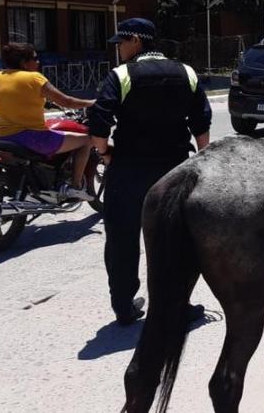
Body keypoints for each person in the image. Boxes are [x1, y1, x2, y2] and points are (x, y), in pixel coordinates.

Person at [88, 18, 212, 325]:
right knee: (175, 240)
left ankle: (123, 306)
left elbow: (99, 120)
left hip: (129, 171)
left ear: (137, 41)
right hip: (174, 170)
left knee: (122, 239)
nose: (118, 48)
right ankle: (177, 305)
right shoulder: (187, 72)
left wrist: (104, 153)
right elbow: (201, 121)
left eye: (122, 42)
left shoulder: (121, 75)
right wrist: (203, 159)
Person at [0, 43, 96, 201]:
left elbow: (15, 98)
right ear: (23, 62)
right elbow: (66, 101)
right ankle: (74, 187)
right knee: (87, 140)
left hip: (2, 138)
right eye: (34, 58)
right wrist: (92, 103)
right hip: (33, 138)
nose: (38, 61)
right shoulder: (34, 78)